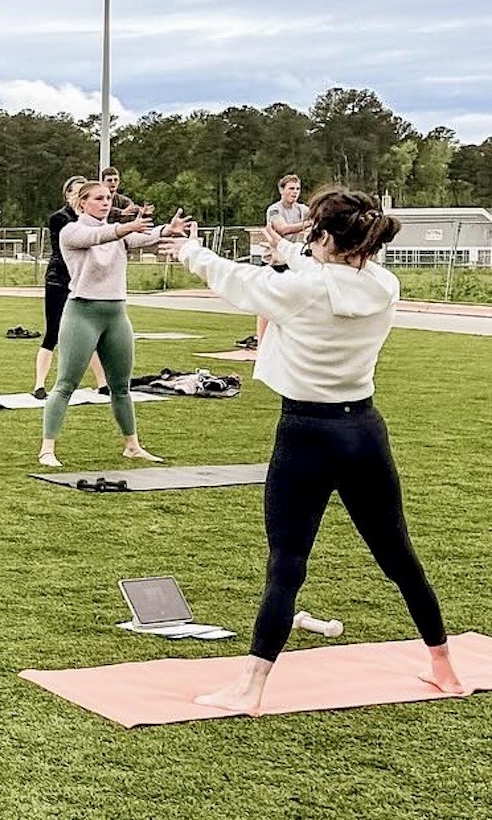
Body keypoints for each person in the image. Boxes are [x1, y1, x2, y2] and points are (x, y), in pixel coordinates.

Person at [158, 187, 464, 715]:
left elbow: (235, 279)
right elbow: (325, 274)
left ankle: (250, 688)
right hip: (364, 431)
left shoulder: (301, 290)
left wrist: (185, 247)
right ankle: (445, 667)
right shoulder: (384, 284)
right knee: (399, 557)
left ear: (322, 236)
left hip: (306, 433)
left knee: (287, 564)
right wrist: (286, 250)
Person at [37, 180, 188, 467]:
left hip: (116, 315)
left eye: (108, 198)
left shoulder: (120, 233)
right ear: (82, 203)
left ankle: (132, 446)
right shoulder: (71, 231)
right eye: (98, 198)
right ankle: (47, 450)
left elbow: (142, 238)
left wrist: (167, 230)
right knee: (66, 384)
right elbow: (98, 236)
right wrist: (127, 227)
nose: (106, 203)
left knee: (121, 387)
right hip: (82, 313)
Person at [33, 175, 109, 399]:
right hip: (59, 279)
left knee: (90, 333)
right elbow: (81, 238)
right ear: (68, 196)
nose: (80, 196)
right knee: (53, 333)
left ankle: (103, 383)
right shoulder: (61, 219)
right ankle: (39, 385)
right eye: (77, 193)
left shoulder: (91, 220)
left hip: (82, 279)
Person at [245, 174, 312, 348]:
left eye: (297, 189)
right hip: (274, 261)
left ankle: (289, 340)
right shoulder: (274, 210)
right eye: (291, 188)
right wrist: (307, 224)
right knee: (266, 303)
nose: (295, 192)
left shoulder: (302, 209)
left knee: (294, 301)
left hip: (292, 261)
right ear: (282, 190)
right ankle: (262, 342)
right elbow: (283, 229)